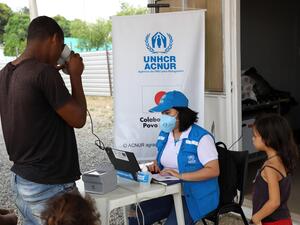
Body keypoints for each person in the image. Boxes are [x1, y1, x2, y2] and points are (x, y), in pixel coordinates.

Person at [0, 16, 86, 225]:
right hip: (50, 185)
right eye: (61, 47)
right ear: (55, 39)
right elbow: (79, 118)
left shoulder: (5, 74)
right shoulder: (44, 74)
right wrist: (75, 75)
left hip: (22, 181)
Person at [129, 90, 220, 225]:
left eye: (167, 113)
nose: (164, 117)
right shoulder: (165, 134)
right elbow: (161, 161)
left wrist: (181, 175)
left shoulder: (201, 137)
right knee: (136, 217)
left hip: (194, 197)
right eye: (162, 114)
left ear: (181, 113)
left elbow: (213, 170)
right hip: (168, 193)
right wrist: (155, 166)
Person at [251, 114, 299, 225]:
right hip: (283, 219)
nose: (252, 138)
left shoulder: (270, 168)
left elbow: (274, 202)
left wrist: (256, 218)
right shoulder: (280, 160)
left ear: (268, 139)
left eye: (255, 136)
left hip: (272, 222)